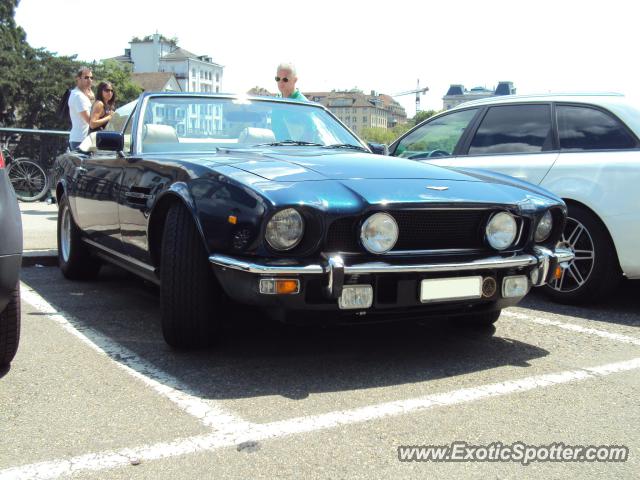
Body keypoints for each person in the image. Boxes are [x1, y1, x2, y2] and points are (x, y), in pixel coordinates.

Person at [68, 67, 95, 150]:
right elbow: (91, 121)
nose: (89, 80)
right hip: (80, 140)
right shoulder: (78, 96)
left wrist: (92, 99)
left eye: (91, 78)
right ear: (78, 79)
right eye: (86, 77)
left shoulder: (82, 95)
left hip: (82, 139)